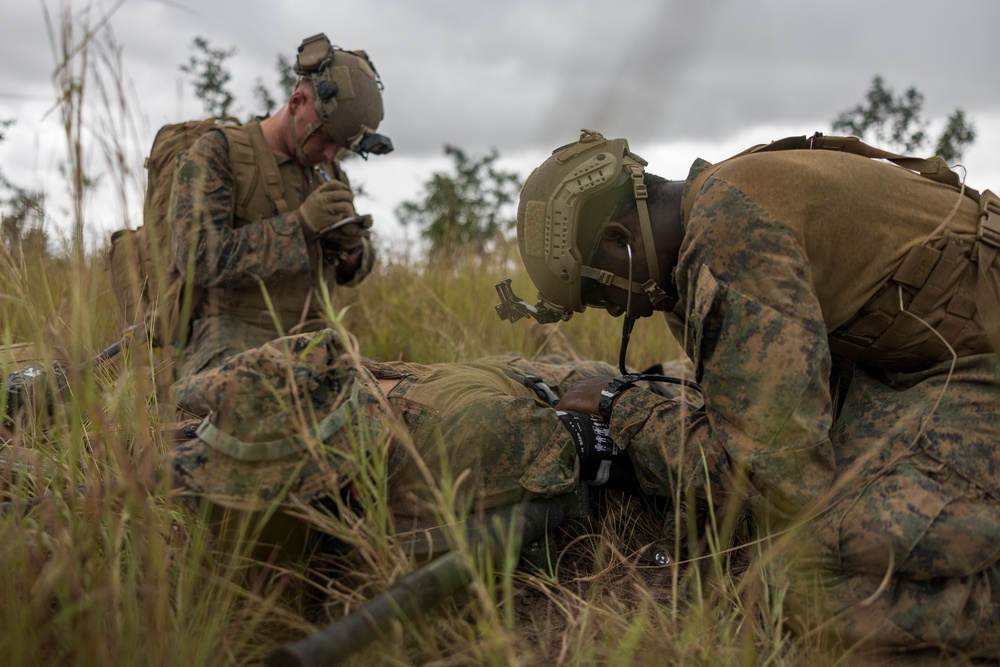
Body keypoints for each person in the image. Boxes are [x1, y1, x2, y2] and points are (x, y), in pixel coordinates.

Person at [506, 129, 1000, 656]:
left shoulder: (727, 233)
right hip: (921, 365)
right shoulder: (701, 235)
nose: (624, 311)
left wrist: (621, 408)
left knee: (798, 583)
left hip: (965, 366)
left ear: (617, 239)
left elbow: (785, 480)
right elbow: (752, 427)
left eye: (602, 293)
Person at [168, 326, 693, 559]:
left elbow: (662, 458)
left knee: (686, 396)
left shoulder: (472, 437)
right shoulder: (306, 374)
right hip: (505, 390)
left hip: (593, 398)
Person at [170, 33, 392, 381]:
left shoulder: (328, 172)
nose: (333, 155)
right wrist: (300, 226)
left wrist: (351, 250)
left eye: (344, 147)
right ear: (297, 101)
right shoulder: (218, 153)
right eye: (328, 139)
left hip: (316, 342)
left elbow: (351, 271)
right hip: (231, 343)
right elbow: (197, 257)